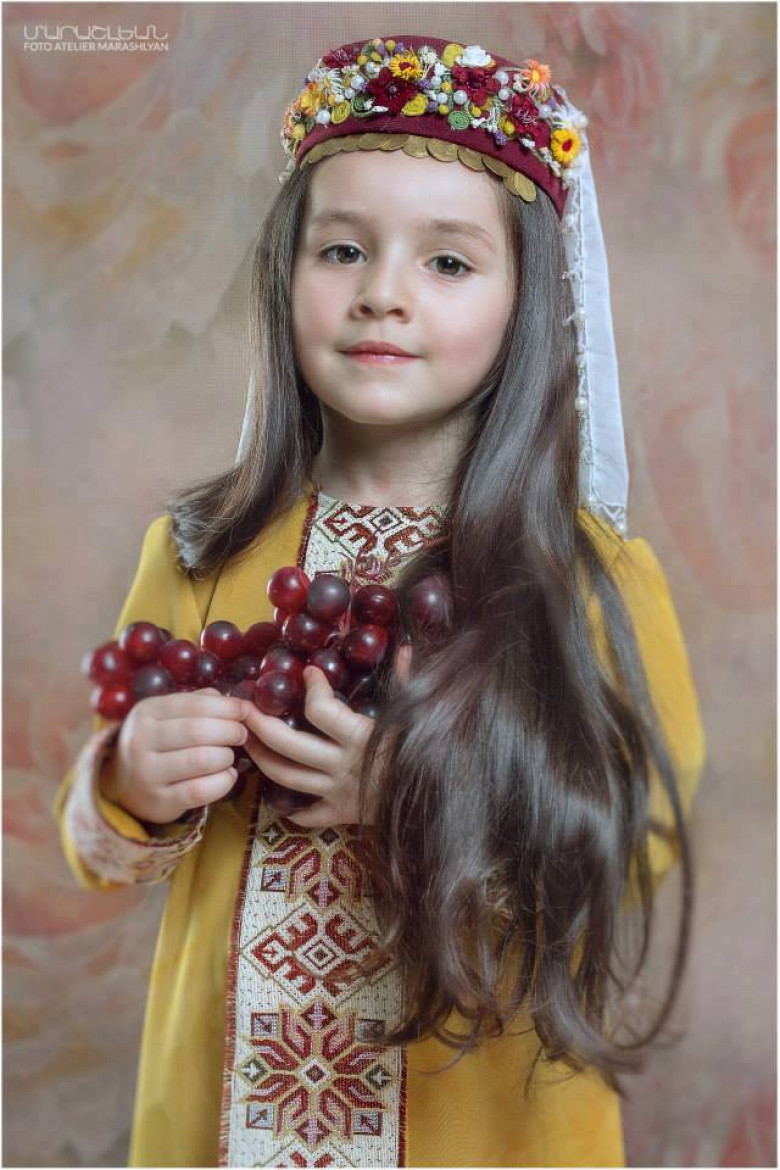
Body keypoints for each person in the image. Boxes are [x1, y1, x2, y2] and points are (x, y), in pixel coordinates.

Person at [53, 35, 706, 1168]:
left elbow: (636, 841)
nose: (383, 295)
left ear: (527, 301)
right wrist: (126, 781)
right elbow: (100, 843)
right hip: (226, 1120)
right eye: (343, 249)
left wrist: (425, 796)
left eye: (448, 262)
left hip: (487, 1124)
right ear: (284, 273)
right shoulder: (202, 549)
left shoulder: (585, 573)